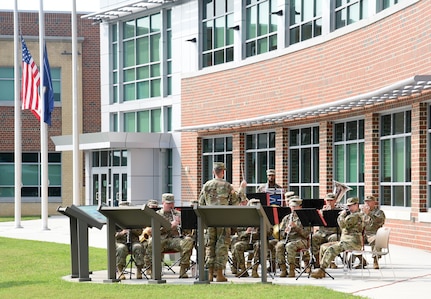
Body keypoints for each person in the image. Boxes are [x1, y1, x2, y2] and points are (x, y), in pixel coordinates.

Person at [198, 162, 247, 282]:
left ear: (213, 172)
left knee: (210, 245)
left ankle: (209, 273)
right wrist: (242, 188)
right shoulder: (227, 186)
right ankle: (219, 274)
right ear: (223, 172)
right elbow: (236, 202)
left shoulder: (206, 185)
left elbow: (201, 203)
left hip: (209, 219)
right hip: (223, 220)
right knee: (222, 246)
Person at [311, 197, 364, 279]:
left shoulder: (356, 215)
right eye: (348, 206)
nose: (349, 208)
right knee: (323, 247)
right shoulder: (352, 214)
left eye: (350, 206)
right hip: (346, 241)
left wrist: (341, 215)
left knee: (331, 249)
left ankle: (321, 269)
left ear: (356, 205)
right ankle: (322, 269)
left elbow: (343, 225)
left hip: (352, 242)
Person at [144, 193, 194, 279]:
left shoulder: (178, 214)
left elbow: (187, 232)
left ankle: (183, 269)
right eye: (168, 203)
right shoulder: (157, 215)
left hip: (174, 240)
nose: (170, 205)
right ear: (163, 203)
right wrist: (169, 227)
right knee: (152, 242)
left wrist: (182, 224)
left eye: (172, 203)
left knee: (188, 241)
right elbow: (151, 232)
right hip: (160, 239)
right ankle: (154, 270)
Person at [274, 197, 310, 278]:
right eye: (292, 206)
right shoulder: (286, 218)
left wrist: (296, 227)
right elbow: (280, 233)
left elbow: (306, 234)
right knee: (279, 245)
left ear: (300, 207)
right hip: (289, 239)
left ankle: (291, 269)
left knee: (290, 246)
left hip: (301, 240)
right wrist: (285, 232)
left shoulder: (304, 218)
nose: (293, 208)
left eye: (295, 206)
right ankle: (283, 269)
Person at [115, 201, 145, 280]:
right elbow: (112, 235)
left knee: (138, 247)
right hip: (120, 242)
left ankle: (139, 270)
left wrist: (132, 229)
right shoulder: (115, 219)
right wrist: (122, 233)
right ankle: (120, 271)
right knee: (121, 248)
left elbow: (140, 232)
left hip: (133, 241)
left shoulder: (134, 219)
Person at [312, 193, 341, 267]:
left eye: (331, 200)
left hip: (333, 232)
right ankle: (317, 260)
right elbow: (315, 223)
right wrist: (320, 215)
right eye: (327, 200)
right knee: (314, 237)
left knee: (334, 238)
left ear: (335, 201)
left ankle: (331, 261)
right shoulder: (321, 211)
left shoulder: (339, 211)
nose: (329, 202)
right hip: (322, 232)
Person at [358, 195, 386, 269]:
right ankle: (361, 260)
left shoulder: (379, 212)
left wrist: (369, 213)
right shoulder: (362, 212)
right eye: (366, 202)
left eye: (369, 202)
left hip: (373, 233)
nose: (367, 203)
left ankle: (375, 260)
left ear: (374, 203)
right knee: (352, 241)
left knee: (376, 240)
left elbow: (378, 221)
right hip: (363, 233)